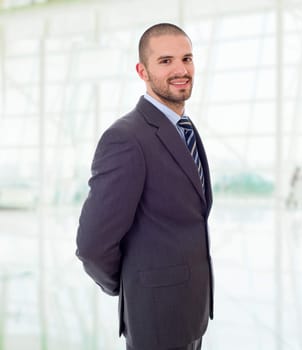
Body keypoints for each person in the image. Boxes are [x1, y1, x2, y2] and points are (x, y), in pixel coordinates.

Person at [75, 23, 213, 350]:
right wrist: (129, 284)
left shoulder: (185, 129)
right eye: (165, 61)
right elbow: (93, 245)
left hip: (191, 312)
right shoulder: (126, 138)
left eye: (187, 58)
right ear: (143, 71)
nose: (181, 70)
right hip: (155, 315)